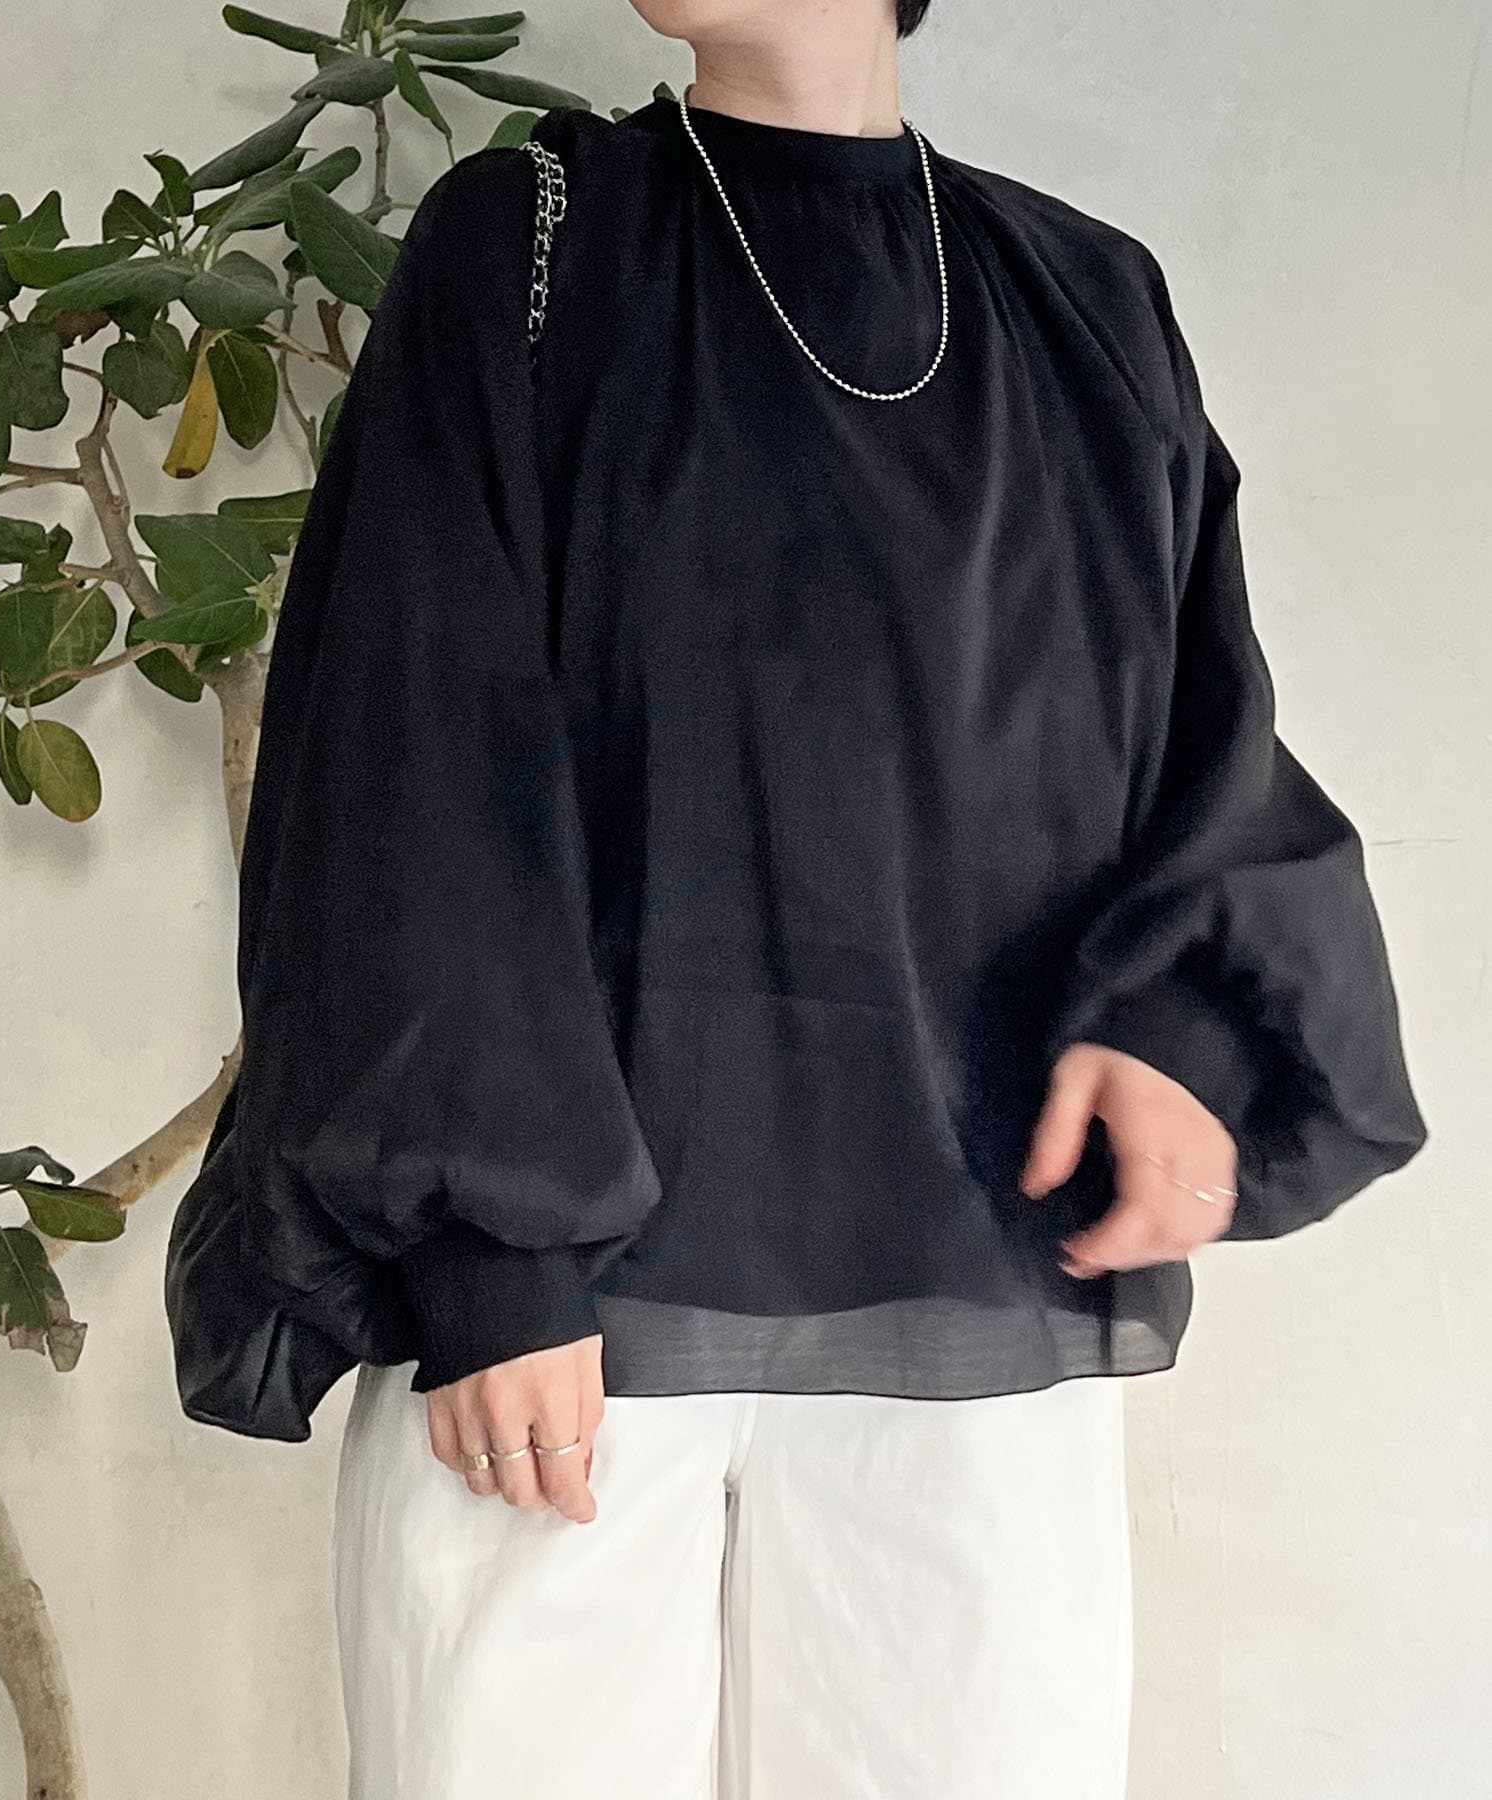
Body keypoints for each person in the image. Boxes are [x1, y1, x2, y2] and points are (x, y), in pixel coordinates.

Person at [165, 1, 1428, 1795]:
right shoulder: (532, 244)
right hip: (570, 1331)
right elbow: (407, 736)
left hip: (976, 1305)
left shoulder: (1085, 301)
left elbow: (1197, 731)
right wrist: (488, 1258)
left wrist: (1181, 1034)